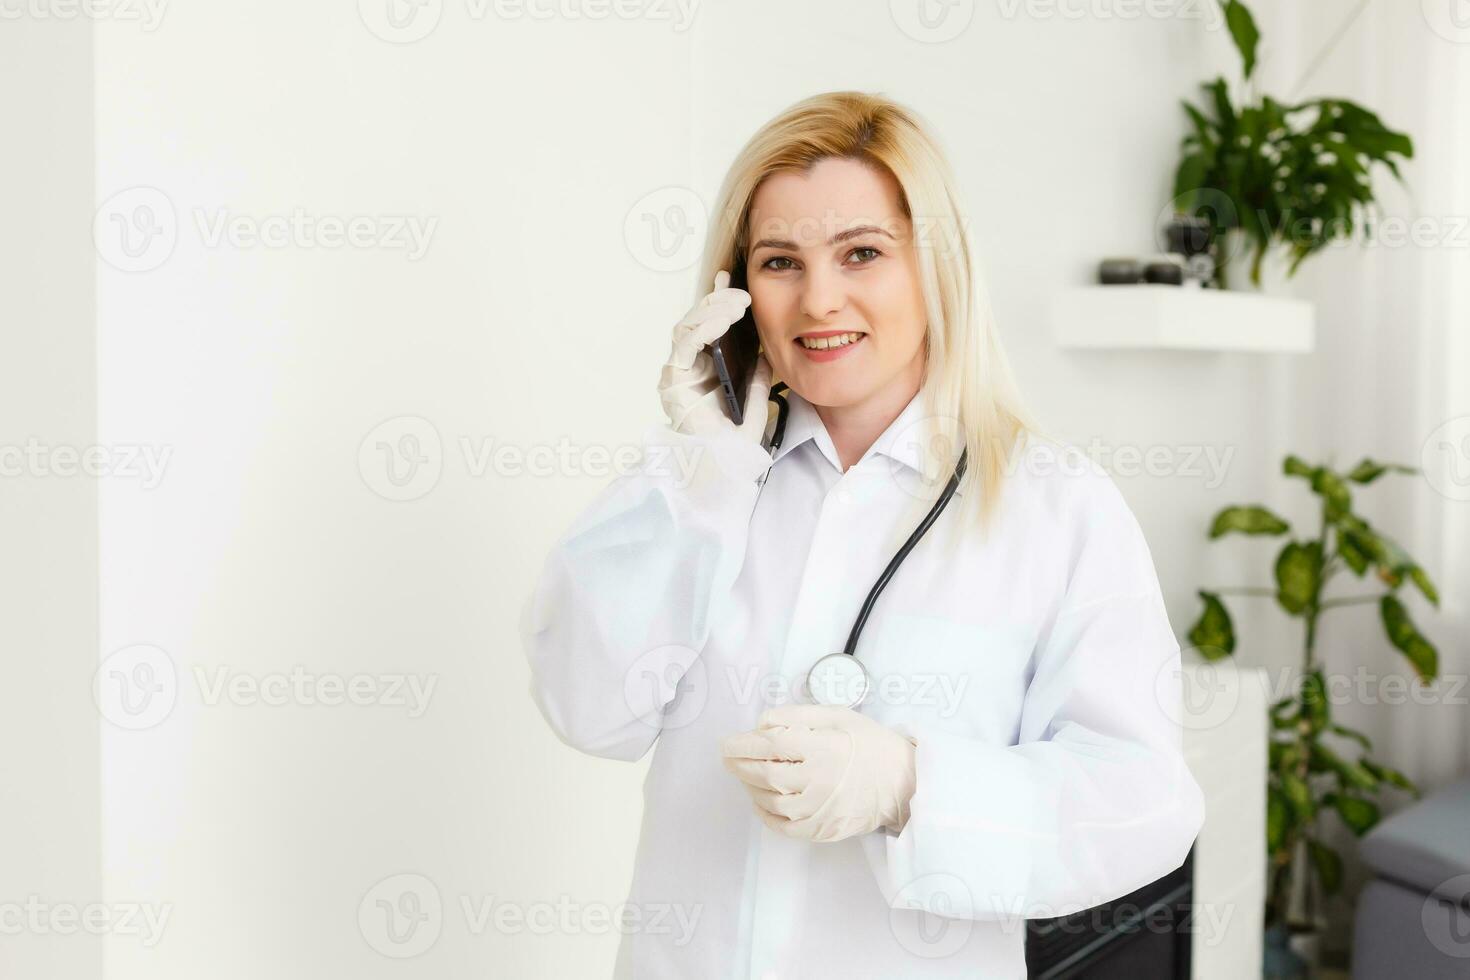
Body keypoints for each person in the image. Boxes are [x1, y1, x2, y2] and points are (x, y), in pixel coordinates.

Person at [519, 90, 1205, 978]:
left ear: (938, 268)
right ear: (736, 291)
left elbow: (1144, 805)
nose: (819, 299)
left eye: (863, 253)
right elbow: (588, 709)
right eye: (779, 261)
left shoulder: (1058, 506)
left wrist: (910, 788)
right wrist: (697, 476)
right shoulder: (698, 484)